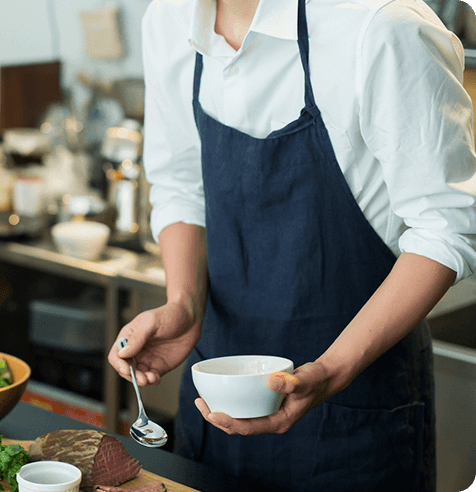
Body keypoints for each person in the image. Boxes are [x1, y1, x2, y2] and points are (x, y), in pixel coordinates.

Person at [107, 0, 476, 490]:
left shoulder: (383, 26)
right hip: (215, 406)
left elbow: (446, 227)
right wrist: (184, 302)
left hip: (357, 420)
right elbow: (179, 185)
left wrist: (328, 370)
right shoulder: (169, 18)